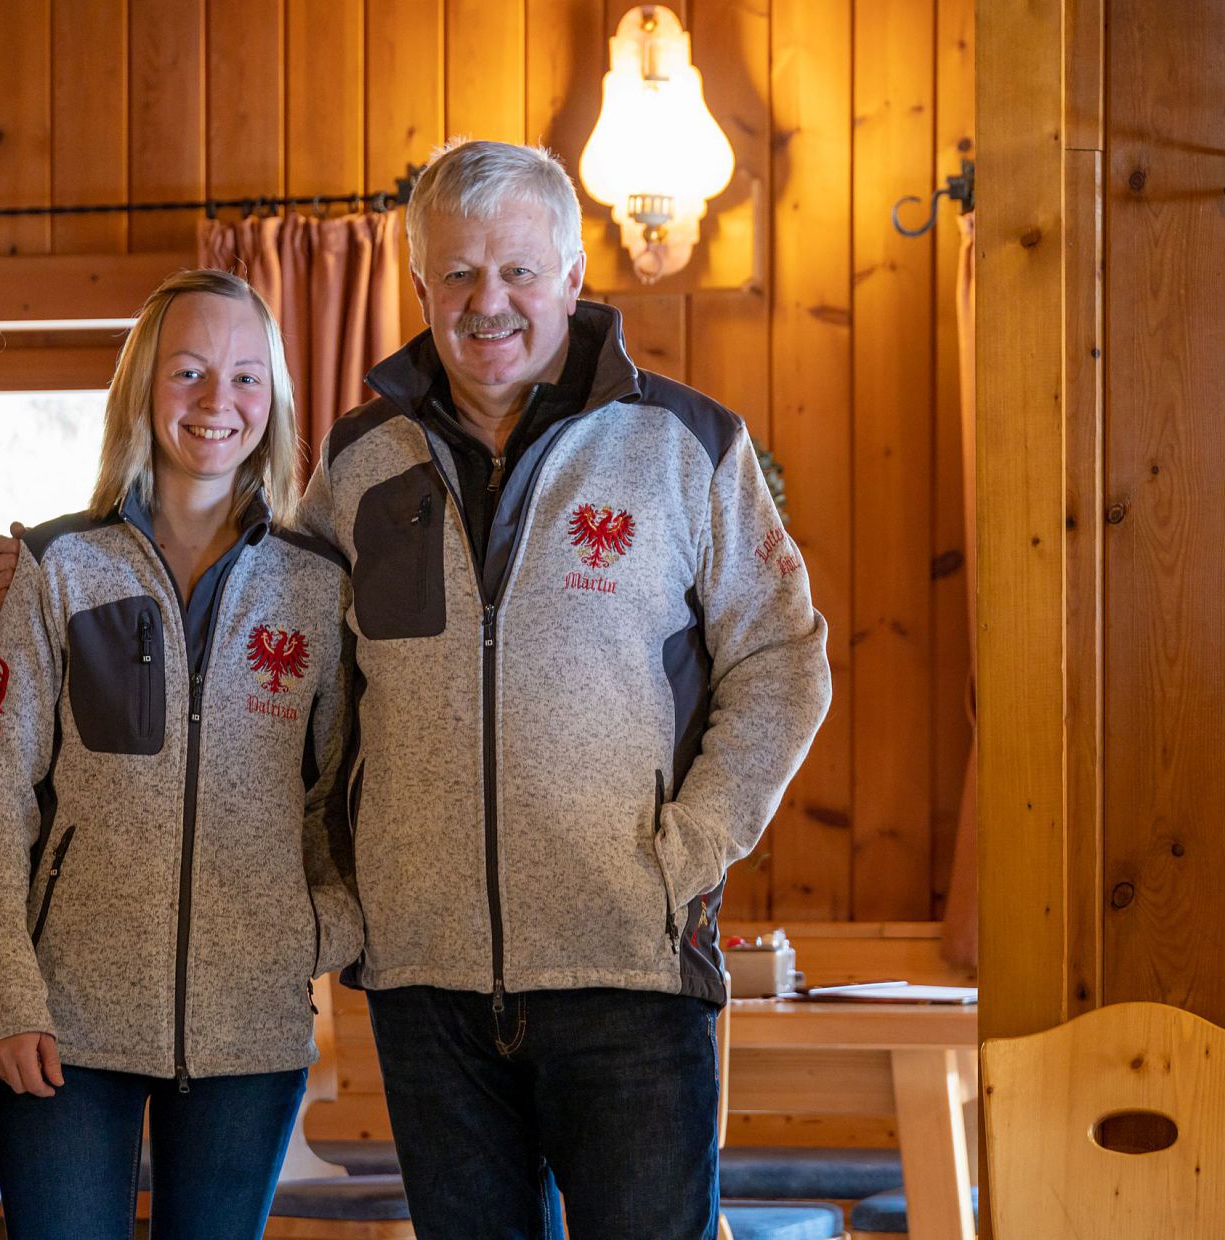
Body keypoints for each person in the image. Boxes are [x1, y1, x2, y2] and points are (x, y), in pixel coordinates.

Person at [294, 140, 833, 1239]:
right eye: (456, 274)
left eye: (518, 271)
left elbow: (783, 657)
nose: (487, 301)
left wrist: (687, 848)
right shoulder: (358, 465)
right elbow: (292, 690)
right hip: (423, 981)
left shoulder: (686, 446)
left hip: (626, 969)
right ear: (420, 288)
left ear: (575, 280)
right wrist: (341, 888)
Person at [0, 269, 363, 1240]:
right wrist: (6, 986)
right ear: (144, 387)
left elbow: (351, 792)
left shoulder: (317, 588)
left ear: (273, 401)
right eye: (188, 372)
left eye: (245, 377)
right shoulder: (57, 566)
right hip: (65, 1022)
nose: (217, 402)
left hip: (250, 1028)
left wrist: (320, 933)